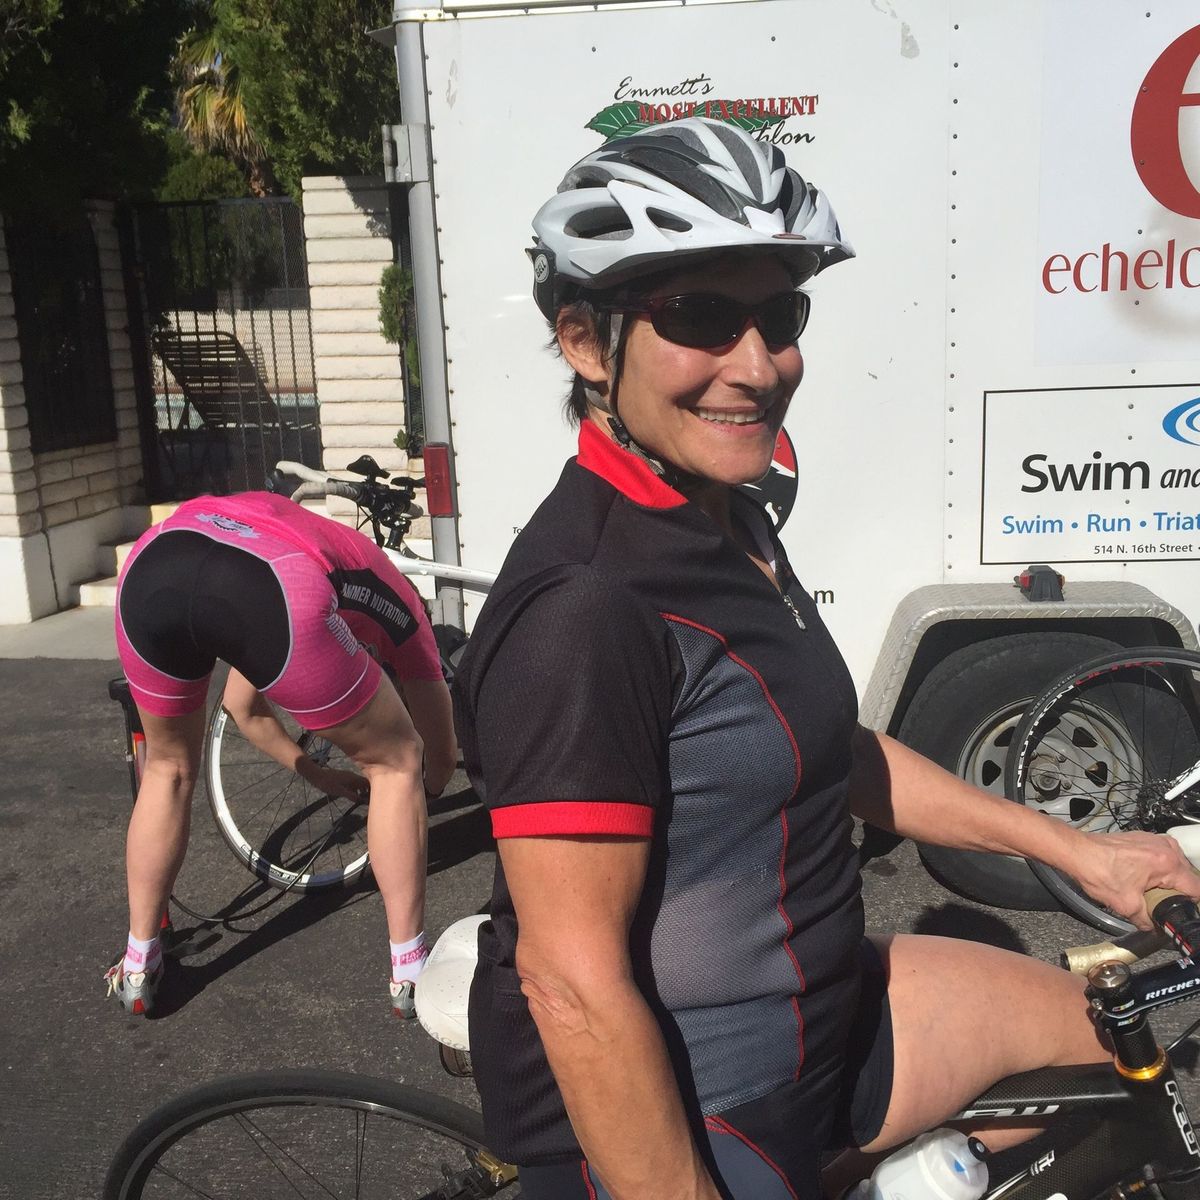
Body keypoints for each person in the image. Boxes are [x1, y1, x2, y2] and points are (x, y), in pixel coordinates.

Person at [452, 117, 1200, 1200]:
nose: (758, 366)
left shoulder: (729, 519)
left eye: (780, 315)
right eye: (701, 316)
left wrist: (1081, 853)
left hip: (824, 1016)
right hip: (703, 1098)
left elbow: (827, 751)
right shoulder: (586, 605)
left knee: (1114, 1055)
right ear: (583, 342)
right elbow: (571, 984)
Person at [107, 489, 457, 1019]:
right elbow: (441, 760)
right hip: (269, 583)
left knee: (167, 768)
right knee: (397, 762)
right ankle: (409, 971)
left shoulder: (317, 542)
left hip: (156, 561)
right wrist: (420, 784)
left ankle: (138, 963)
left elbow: (243, 708)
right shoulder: (403, 603)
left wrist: (318, 774)